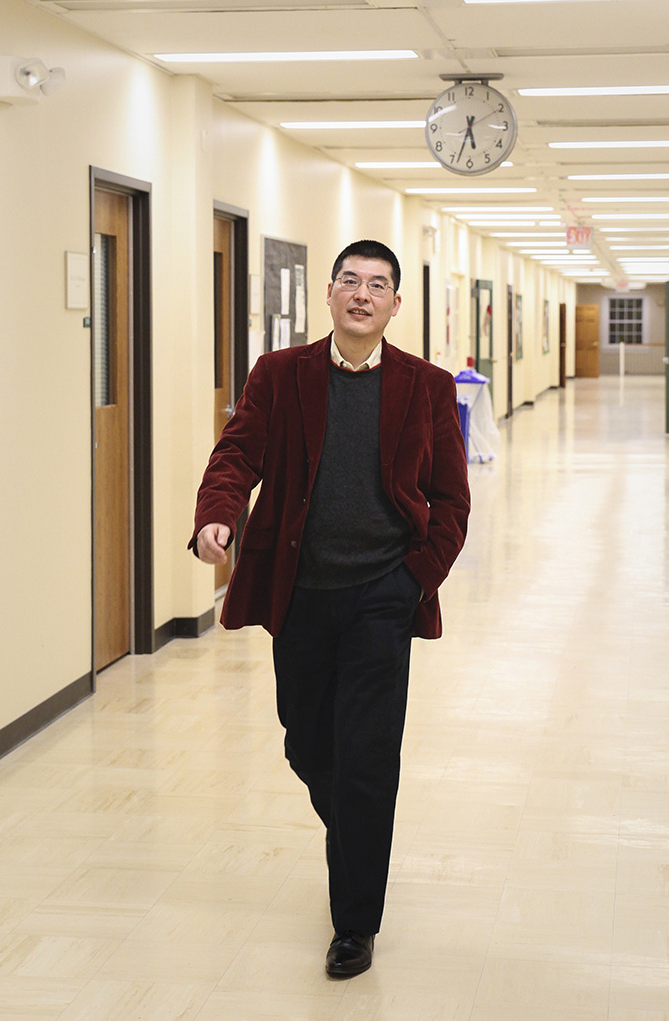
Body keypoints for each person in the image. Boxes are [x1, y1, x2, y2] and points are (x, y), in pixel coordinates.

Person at [189, 239, 470, 978]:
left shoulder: (427, 386)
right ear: (330, 292)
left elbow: (450, 498)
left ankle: (355, 921)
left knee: (367, 761)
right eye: (350, 280)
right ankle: (355, 834)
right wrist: (217, 513)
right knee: (307, 743)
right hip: (303, 593)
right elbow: (236, 454)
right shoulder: (282, 375)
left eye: (378, 285)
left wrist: (416, 578)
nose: (362, 294)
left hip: (384, 591)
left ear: (394, 304)